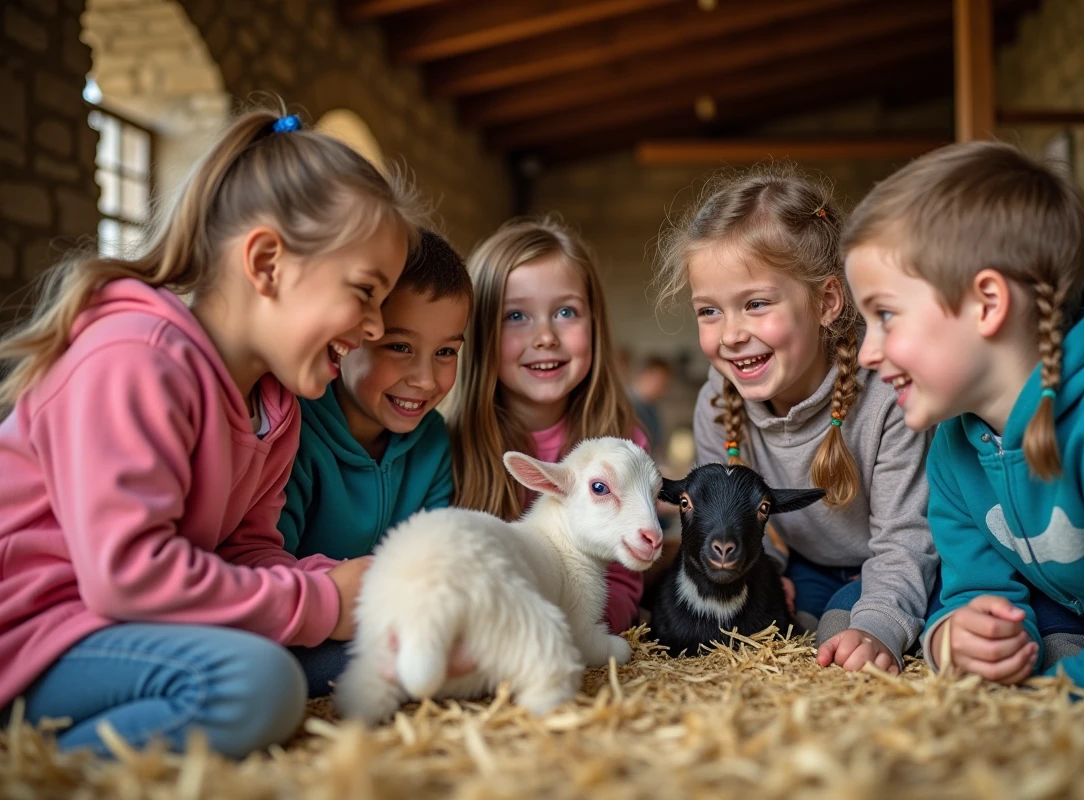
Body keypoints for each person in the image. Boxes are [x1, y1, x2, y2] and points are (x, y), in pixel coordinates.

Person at [0, 106, 421, 755]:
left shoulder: (273, 403)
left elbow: (249, 555)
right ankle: (34, 768)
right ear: (267, 262)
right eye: (364, 292)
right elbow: (128, 576)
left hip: (136, 627)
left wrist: (354, 594)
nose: (372, 327)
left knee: (381, 644)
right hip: (40, 635)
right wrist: (320, 599)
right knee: (256, 684)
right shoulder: (135, 357)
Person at [843, 140, 1084, 701]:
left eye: (885, 315)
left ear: (987, 302)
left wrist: (1041, 706)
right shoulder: (954, 447)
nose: (866, 352)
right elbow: (974, 590)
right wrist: (960, 640)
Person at [653, 166, 936, 674]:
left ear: (826, 301)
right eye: (709, 311)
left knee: (845, 643)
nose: (731, 334)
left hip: (900, 572)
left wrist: (879, 624)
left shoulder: (887, 399)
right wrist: (768, 569)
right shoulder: (718, 400)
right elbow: (725, 516)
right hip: (809, 571)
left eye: (756, 304)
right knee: (801, 629)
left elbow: (908, 538)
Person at [280, 229, 473, 696]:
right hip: (296, 633)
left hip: (389, 629)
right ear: (351, 334)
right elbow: (266, 572)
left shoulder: (432, 445)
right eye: (399, 346)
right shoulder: (295, 431)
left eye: (446, 352)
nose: (425, 380)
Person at [449, 216, 649, 634]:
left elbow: (623, 576)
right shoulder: (451, 447)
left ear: (595, 322)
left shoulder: (623, 444)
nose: (545, 337)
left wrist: (588, 628)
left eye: (565, 312)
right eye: (516, 316)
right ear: (481, 332)